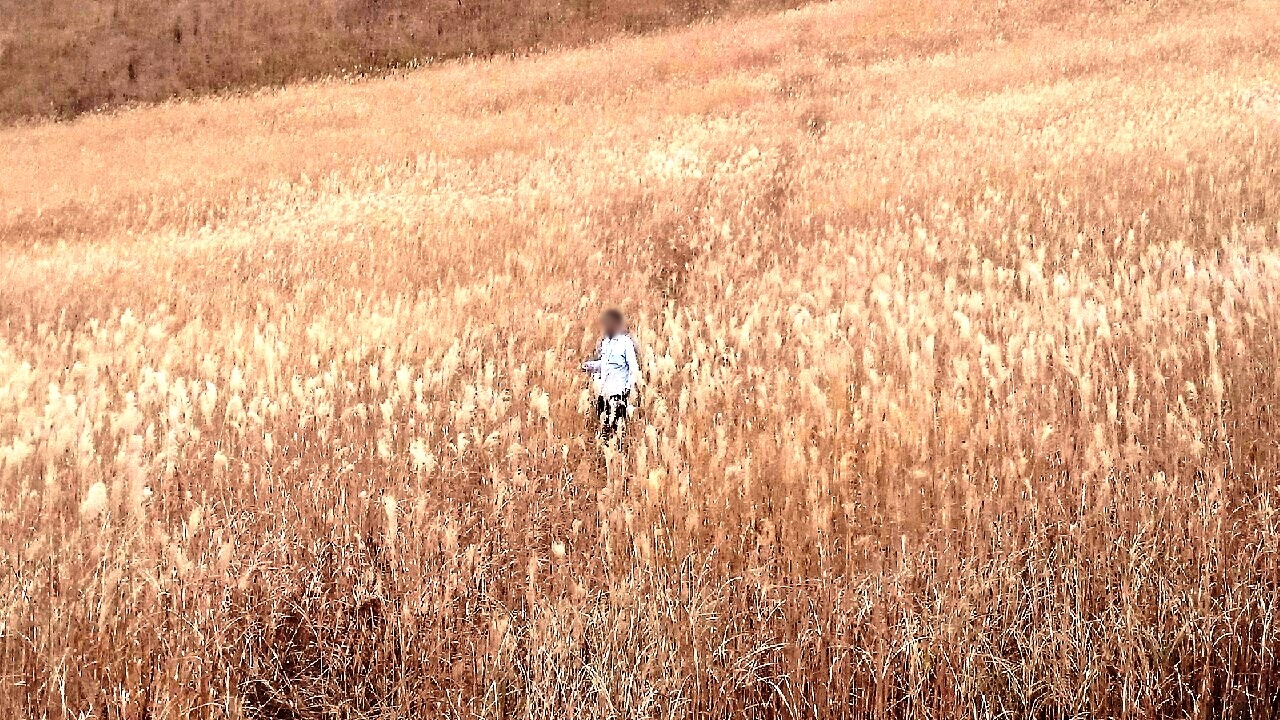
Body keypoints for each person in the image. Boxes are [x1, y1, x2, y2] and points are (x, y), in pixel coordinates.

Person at [581, 309, 638, 440]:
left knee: (616, 430)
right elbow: (605, 364)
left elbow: (633, 367)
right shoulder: (605, 342)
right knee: (603, 427)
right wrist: (591, 366)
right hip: (604, 392)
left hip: (618, 393)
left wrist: (627, 389)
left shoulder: (625, 343)